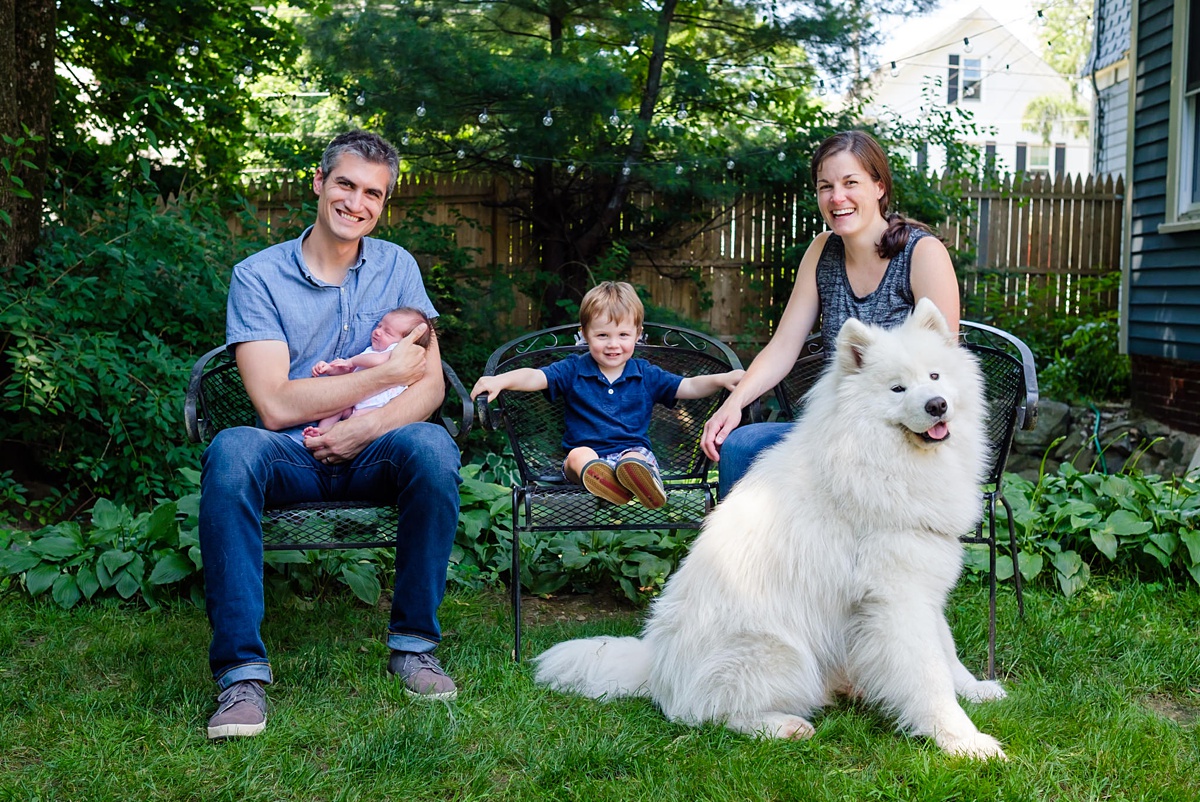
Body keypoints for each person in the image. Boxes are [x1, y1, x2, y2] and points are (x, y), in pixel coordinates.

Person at [200, 131, 462, 740]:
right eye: (346, 184)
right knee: (232, 449)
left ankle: (414, 646)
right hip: (290, 453)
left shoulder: (397, 267)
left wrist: (365, 426)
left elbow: (429, 390)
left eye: (374, 192)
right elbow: (273, 404)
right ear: (318, 184)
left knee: (434, 445)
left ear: (384, 202)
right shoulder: (258, 276)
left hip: (376, 448)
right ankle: (240, 674)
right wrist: (389, 373)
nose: (357, 202)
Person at [701, 130, 961, 497]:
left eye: (850, 182)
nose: (837, 197)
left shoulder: (923, 253)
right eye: (826, 186)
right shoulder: (822, 250)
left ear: (879, 187)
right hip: (838, 429)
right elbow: (783, 346)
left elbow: (946, 362)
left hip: (908, 433)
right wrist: (733, 404)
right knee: (743, 444)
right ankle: (738, 553)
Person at [471, 281, 744, 509]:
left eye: (623, 335)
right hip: (585, 465)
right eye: (602, 335)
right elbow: (535, 376)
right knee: (579, 455)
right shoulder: (573, 369)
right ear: (585, 335)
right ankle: (606, 482)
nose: (613, 345)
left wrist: (721, 379)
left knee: (634, 458)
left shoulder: (646, 374)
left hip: (631, 452)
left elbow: (689, 386)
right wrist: (501, 380)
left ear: (638, 334)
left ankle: (636, 481)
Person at [303, 307, 434, 438]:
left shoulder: (396, 351)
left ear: (406, 342)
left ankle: (330, 436)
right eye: (379, 326)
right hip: (357, 401)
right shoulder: (371, 350)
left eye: (387, 332)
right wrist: (331, 368)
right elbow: (351, 371)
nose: (377, 332)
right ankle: (320, 432)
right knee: (336, 408)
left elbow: (376, 361)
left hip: (375, 407)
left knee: (358, 419)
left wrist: (351, 361)